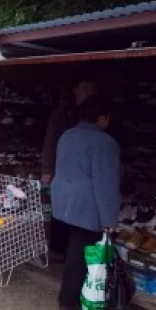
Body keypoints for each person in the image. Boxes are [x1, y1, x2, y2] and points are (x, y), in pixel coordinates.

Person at [52, 96, 121, 310]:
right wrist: (109, 218)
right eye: (108, 118)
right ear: (101, 118)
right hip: (85, 202)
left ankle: (71, 294)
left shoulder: (67, 135)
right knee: (80, 253)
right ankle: (69, 299)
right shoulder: (106, 143)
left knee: (71, 247)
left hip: (62, 198)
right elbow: (105, 183)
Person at [42, 77, 97, 262]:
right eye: (85, 88)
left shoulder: (94, 113)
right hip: (62, 168)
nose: (88, 92)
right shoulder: (62, 114)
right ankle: (58, 249)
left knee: (79, 211)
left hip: (83, 170)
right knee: (61, 209)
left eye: (91, 89)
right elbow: (50, 142)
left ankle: (72, 252)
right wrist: (47, 169)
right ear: (76, 90)